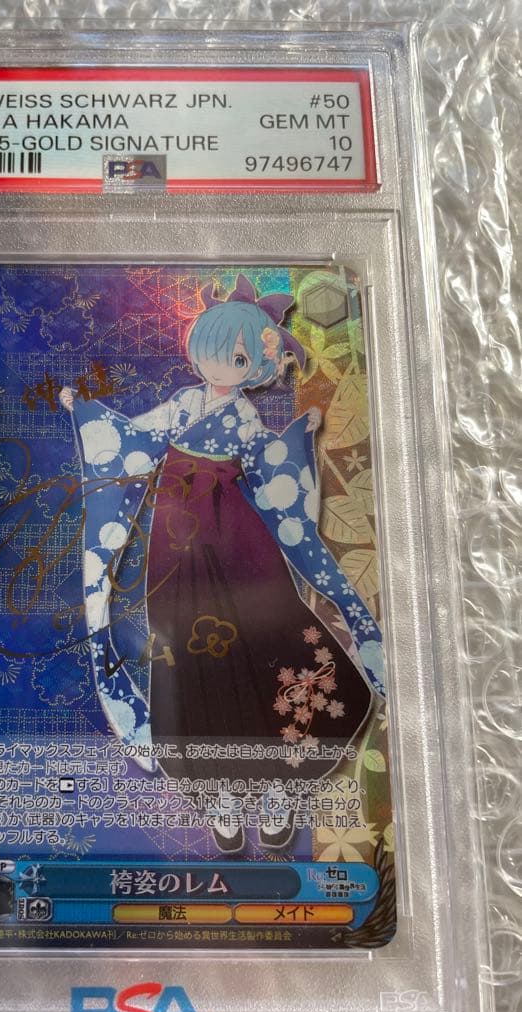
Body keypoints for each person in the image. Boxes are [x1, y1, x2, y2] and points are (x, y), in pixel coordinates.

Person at [60, 274, 384, 853]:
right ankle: (221, 793)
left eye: (239, 358)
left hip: (238, 541)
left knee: (270, 639)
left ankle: (281, 785)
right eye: (217, 350)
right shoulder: (184, 404)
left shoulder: (243, 417)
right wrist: (85, 410)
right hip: (177, 548)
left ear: (257, 365)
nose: (224, 365)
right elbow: (134, 440)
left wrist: (298, 437)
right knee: (187, 658)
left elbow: (268, 466)